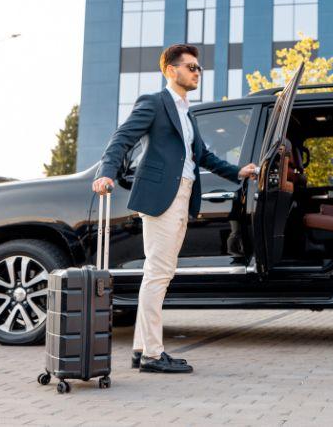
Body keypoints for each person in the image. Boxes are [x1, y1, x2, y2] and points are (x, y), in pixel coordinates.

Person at [92, 44, 257, 374]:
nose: (198, 72)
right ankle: (153, 354)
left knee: (158, 273)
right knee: (158, 274)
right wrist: (106, 172)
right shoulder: (154, 103)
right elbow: (122, 138)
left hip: (183, 196)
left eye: (199, 68)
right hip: (161, 197)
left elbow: (204, 157)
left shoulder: (187, 113)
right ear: (171, 70)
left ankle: (143, 349)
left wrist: (238, 172)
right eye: (192, 67)